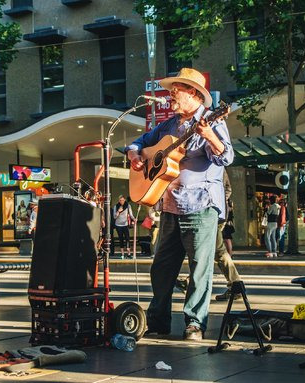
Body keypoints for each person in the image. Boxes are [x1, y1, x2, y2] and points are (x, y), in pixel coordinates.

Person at [127, 67, 233, 341]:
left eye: (177, 90)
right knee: (161, 267)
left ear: (195, 95)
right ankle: (157, 320)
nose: (170, 94)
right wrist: (135, 154)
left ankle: (195, 323)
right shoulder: (170, 124)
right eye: (171, 89)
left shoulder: (213, 121)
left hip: (201, 205)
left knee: (199, 269)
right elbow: (140, 142)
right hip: (171, 205)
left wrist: (209, 135)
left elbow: (226, 157)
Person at [213, 170, 242, 301]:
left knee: (217, 251)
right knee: (213, 251)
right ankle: (235, 285)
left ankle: (235, 285)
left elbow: (227, 189)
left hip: (211, 215)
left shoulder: (215, 162)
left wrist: (213, 204)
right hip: (213, 214)